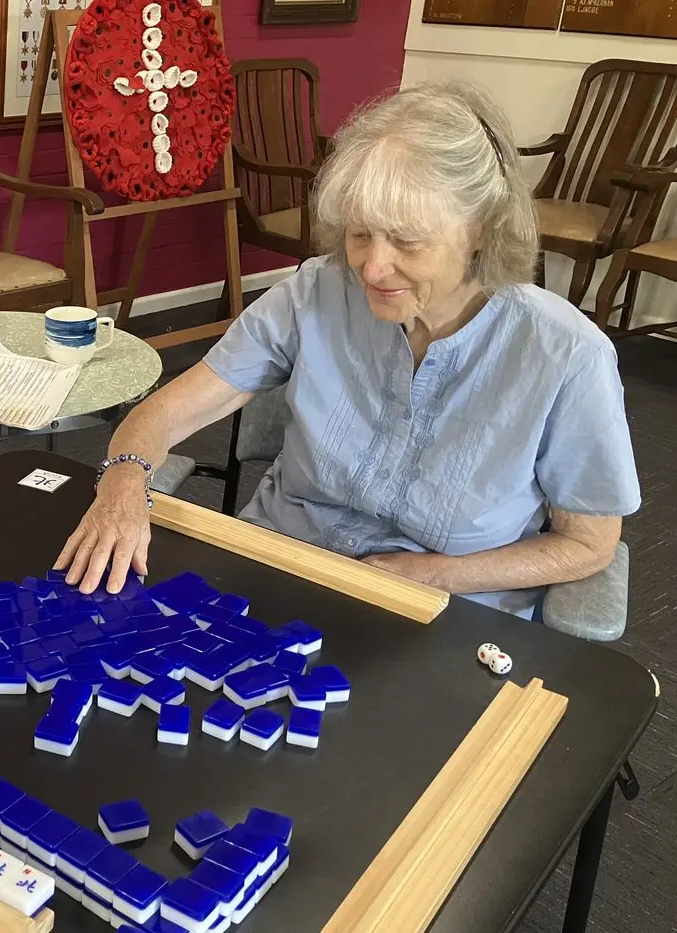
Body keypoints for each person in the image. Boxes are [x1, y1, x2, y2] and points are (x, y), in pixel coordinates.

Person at [57, 81, 640, 620]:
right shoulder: (316, 290)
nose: (372, 266)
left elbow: (588, 544)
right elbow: (165, 414)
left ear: (482, 229)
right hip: (284, 567)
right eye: (360, 232)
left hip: (441, 609)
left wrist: (437, 572)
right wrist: (123, 484)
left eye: (406, 240)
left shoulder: (565, 354)